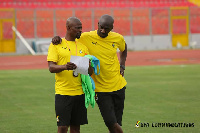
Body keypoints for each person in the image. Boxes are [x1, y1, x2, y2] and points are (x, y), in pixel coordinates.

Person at [52, 14, 127, 133]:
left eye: (106, 28)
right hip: (100, 89)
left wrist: (122, 65)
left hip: (119, 86)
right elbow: (70, 37)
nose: (103, 30)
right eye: (101, 27)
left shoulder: (118, 38)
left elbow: (124, 49)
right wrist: (57, 38)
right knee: (111, 123)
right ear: (97, 24)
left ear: (112, 28)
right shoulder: (85, 37)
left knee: (116, 123)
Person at [47, 17, 93, 133]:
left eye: (81, 28)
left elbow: (89, 72)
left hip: (79, 93)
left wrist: (89, 65)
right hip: (63, 93)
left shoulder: (83, 47)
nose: (80, 30)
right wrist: (65, 67)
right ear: (68, 28)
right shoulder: (56, 44)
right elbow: (51, 68)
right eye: (77, 28)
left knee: (76, 129)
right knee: (62, 128)